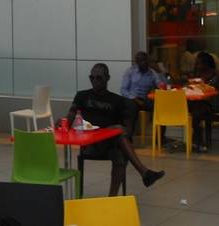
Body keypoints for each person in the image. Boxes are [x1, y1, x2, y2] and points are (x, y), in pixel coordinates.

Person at [67, 63, 164, 196]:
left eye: (99, 78)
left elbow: (127, 130)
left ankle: (111, 198)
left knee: (120, 153)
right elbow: (70, 115)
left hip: (109, 143)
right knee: (119, 137)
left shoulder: (117, 100)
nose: (95, 81)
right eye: (92, 77)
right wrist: (63, 124)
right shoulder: (82, 96)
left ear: (107, 78)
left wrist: (116, 129)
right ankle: (144, 173)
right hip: (90, 143)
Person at [188, 52, 219, 151]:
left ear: (207, 63)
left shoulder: (217, 74)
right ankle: (196, 141)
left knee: (196, 114)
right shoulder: (197, 75)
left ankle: (198, 142)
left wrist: (213, 89)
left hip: (213, 104)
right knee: (191, 109)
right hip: (198, 102)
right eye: (196, 63)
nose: (197, 66)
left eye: (199, 63)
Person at [120, 51, 165, 138]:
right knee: (131, 109)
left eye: (145, 60)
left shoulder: (152, 73)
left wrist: (160, 72)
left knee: (160, 107)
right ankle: (128, 138)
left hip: (145, 99)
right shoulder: (130, 72)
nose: (143, 63)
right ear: (137, 62)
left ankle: (159, 138)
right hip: (132, 99)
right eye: (140, 61)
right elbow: (123, 90)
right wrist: (135, 99)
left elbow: (161, 85)